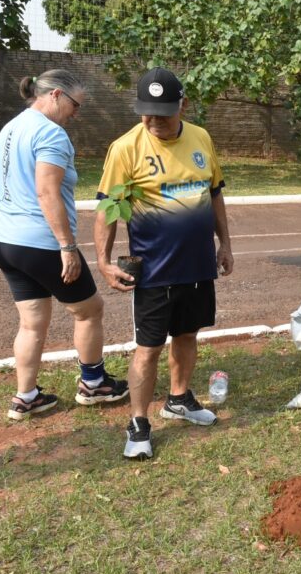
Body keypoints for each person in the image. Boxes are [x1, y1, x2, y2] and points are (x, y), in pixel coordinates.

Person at [94, 67, 234, 459]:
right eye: (146, 112)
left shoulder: (201, 138)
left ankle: (179, 398)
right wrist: (103, 262)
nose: (153, 121)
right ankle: (139, 423)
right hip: (154, 270)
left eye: (163, 113)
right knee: (148, 348)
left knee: (188, 335)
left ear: (183, 106)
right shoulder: (125, 148)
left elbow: (215, 194)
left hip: (197, 265)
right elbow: (107, 209)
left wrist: (225, 244)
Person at [0, 69, 128, 420]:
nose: (76, 113)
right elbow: (46, 191)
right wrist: (66, 246)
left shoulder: (10, 129)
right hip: (40, 241)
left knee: (32, 322)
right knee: (89, 309)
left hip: (2, 238)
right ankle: (94, 384)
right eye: (75, 104)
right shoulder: (51, 133)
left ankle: (26, 396)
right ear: (55, 95)